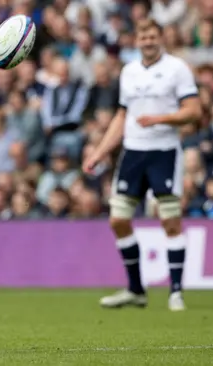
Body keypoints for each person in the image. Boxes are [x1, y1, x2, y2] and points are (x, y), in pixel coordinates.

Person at [83, 19, 202, 311]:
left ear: (160, 38)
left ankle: (176, 292)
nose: (147, 41)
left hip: (163, 152)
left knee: (170, 220)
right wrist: (100, 152)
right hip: (133, 153)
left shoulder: (177, 69)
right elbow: (122, 117)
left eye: (152, 36)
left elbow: (194, 111)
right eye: (142, 36)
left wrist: (160, 119)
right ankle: (136, 289)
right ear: (136, 41)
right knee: (118, 220)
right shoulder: (129, 72)